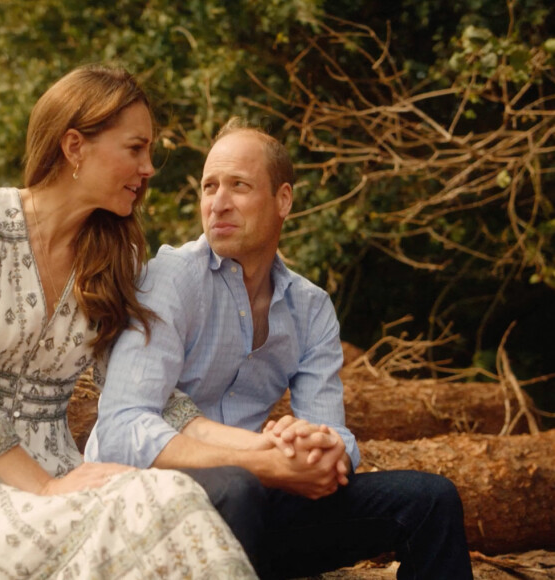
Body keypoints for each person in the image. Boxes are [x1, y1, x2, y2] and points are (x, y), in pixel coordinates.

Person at [87, 117, 475, 579]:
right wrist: (263, 459)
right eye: (209, 187)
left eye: (239, 186)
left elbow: (336, 433)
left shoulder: (310, 308)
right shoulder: (169, 280)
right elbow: (123, 427)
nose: (218, 204)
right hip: (150, 510)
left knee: (430, 500)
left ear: (283, 200)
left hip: (259, 501)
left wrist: (321, 449)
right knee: (238, 486)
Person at [0, 66, 256, 579]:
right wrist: (39, 487)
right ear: (75, 146)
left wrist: (258, 448)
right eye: (135, 149)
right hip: (1, 489)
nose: (149, 168)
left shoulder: (114, 257)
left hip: (65, 476)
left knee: (171, 494)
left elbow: (143, 388)